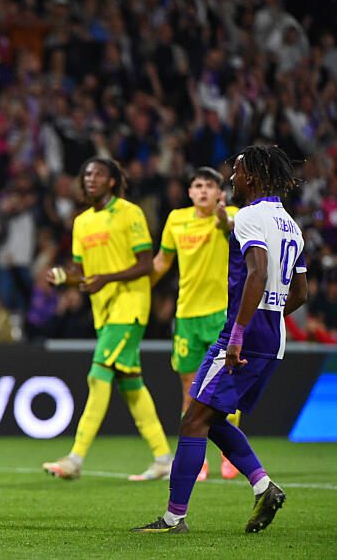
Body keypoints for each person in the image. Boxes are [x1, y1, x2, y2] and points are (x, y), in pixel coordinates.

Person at [133, 145, 307, 534]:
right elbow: (301, 293)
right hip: (273, 337)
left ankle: (174, 518)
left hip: (243, 334)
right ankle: (263, 486)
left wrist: (241, 333)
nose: (232, 178)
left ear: (255, 177)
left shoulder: (248, 216)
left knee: (193, 420)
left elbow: (257, 273)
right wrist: (269, 320)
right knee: (208, 417)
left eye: (239, 171)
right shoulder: (291, 225)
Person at [42, 157, 173, 481]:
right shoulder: (82, 222)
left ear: (112, 181)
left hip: (130, 305)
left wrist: (106, 278)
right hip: (104, 310)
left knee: (97, 375)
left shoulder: (130, 213)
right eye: (87, 174)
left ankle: (75, 458)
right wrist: (63, 277)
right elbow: (80, 271)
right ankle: (163, 457)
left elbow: (146, 264)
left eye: (98, 174)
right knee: (131, 385)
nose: (91, 179)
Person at [151, 167, 241, 481]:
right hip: (186, 316)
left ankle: (230, 454)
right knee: (189, 390)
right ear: (189, 192)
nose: (203, 190)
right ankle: (196, 458)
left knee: (225, 387)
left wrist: (222, 218)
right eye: (198, 185)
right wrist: (138, 288)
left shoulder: (231, 214)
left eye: (209, 186)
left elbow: (228, 226)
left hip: (220, 315)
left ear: (220, 192)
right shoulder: (176, 220)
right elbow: (162, 261)